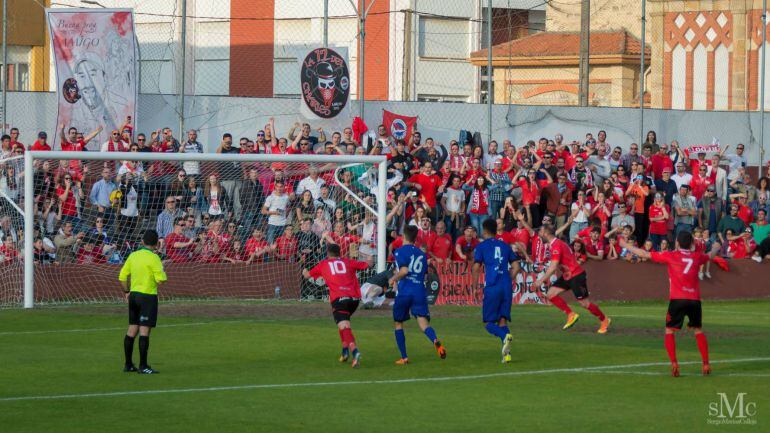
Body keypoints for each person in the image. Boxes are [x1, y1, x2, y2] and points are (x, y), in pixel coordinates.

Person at [619, 232, 721, 377]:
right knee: (698, 330)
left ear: (677, 243)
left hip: (677, 299)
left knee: (669, 331)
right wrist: (717, 246)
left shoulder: (671, 255)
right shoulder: (697, 256)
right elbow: (711, 254)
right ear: (692, 244)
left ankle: (674, 363)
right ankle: (705, 364)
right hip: (694, 300)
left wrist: (624, 245)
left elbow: (643, 253)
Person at [533, 224, 611, 333]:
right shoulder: (555, 244)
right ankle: (571, 314)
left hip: (576, 275)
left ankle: (604, 320)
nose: (539, 235)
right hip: (568, 275)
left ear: (546, 233)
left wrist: (541, 280)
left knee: (584, 303)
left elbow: (553, 266)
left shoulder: (556, 245)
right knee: (550, 294)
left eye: (540, 232)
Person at [303, 244, 369, 368]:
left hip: (339, 299)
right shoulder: (348, 261)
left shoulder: (323, 264)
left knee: (344, 326)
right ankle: (345, 352)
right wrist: (367, 256)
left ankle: (355, 352)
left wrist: (304, 270)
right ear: (340, 253)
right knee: (342, 323)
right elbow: (368, 264)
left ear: (328, 254)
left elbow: (307, 276)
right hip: (354, 300)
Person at [388, 225, 446, 364]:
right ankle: (435, 341)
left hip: (406, 291)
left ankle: (404, 357)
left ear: (403, 237)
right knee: (423, 323)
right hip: (419, 291)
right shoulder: (421, 254)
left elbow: (404, 271)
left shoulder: (400, 251)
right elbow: (424, 275)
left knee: (398, 323)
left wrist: (393, 279)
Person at [471, 219, 522, 363]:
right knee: (502, 320)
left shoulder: (481, 247)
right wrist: (509, 278)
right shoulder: (505, 246)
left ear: (484, 231)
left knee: (488, 323)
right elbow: (517, 266)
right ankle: (507, 355)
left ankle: (503, 336)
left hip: (492, 286)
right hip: (505, 286)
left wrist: (475, 287)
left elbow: (476, 268)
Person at [118, 230, 167, 374]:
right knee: (144, 331)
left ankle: (128, 364)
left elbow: (122, 277)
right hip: (147, 296)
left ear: (143, 242)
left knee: (132, 329)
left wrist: (127, 292)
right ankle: (143, 366)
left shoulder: (133, 255)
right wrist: (160, 269)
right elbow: (161, 280)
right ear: (156, 243)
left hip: (133, 295)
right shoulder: (154, 258)